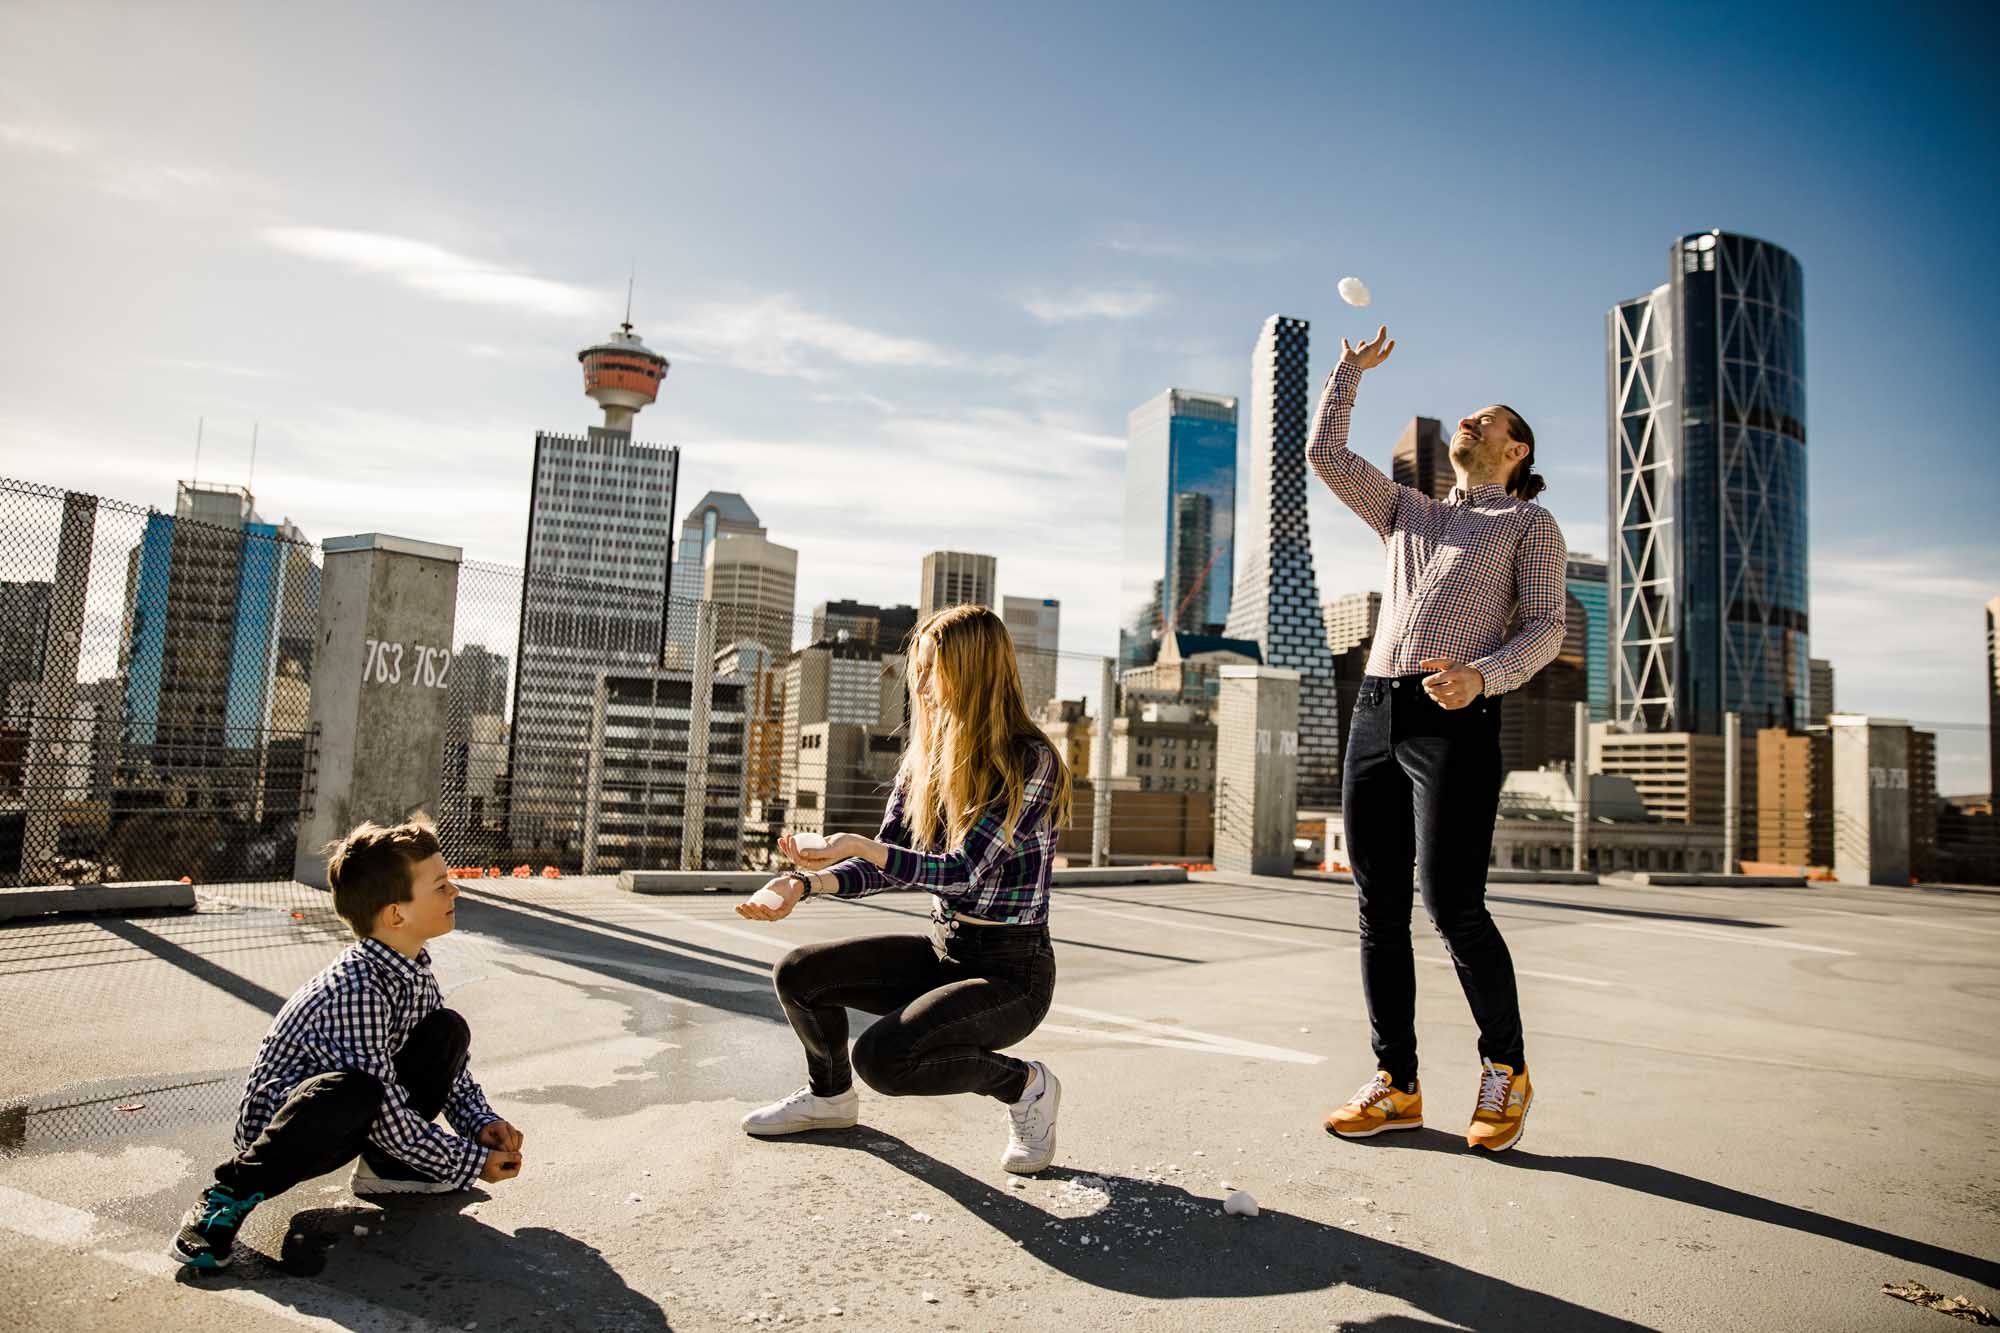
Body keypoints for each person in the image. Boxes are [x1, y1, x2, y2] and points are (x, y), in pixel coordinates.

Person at [1310, 325, 1567, 1153]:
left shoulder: (1529, 524)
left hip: (1455, 718)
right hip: (1375, 713)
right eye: (1467, 415)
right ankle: (1397, 1083)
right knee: (1377, 907)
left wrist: (1483, 676)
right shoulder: (1405, 509)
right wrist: (1349, 371)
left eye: (1487, 420)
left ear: (1515, 449)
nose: (1468, 421)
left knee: (1452, 904)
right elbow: (1324, 453)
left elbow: (1549, 626)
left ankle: (1506, 1070)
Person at [734, 604, 1073, 1174]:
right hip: (946, 949)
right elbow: (893, 864)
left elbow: (961, 871)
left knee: (884, 1060)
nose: (919, 682)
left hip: (1012, 973)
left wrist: (860, 846)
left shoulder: (1029, 760)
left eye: (932, 667)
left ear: (973, 671)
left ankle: (1026, 1087)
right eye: (919, 667)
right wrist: (805, 883)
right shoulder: (927, 759)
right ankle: (829, 1098)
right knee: (799, 973)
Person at [170, 815, 524, 1270]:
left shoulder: (413, 971)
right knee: (354, 1089)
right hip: (288, 1131)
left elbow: (449, 1076)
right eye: (440, 886)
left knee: (446, 1029)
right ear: (396, 915)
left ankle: (391, 1168)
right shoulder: (358, 988)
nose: (454, 891)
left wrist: (481, 1124)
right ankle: (225, 1198)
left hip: (361, 1112)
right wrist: (470, 1162)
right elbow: (385, 1112)